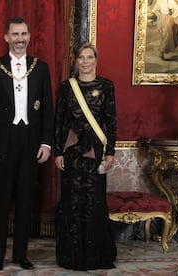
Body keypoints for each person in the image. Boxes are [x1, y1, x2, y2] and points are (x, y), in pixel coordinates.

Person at [0, 17, 54, 271]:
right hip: (1, 143)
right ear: (6, 37)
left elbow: (48, 111)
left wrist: (46, 142)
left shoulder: (40, 68)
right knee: (0, 203)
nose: (20, 39)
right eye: (15, 34)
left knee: (25, 202)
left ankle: (21, 255)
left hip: (31, 142)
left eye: (24, 34)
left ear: (29, 36)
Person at [54, 42, 117, 270]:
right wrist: (58, 151)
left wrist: (110, 152)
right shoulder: (67, 87)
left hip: (95, 151)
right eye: (81, 57)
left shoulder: (107, 86)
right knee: (71, 201)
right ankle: (72, 256)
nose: (85, 61)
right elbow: (59, 121)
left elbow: (111, 121)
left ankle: (94, 256)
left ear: (96, 60)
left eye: (89, 57)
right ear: (76, 61)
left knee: (94, 201)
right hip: (72, 151)